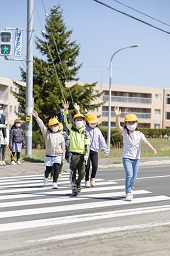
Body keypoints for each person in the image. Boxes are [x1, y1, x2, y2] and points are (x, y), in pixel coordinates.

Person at [114, 106, 157, 201]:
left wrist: (153, 149)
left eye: (132, 122)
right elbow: (118, 126)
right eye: (128, 122)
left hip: (136, 159)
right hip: (126, 158)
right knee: (129, 174)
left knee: (134, 177)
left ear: (136, 123)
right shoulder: (124, 132)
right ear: (125, 123)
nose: (130, 124)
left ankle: (130, 187)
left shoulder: (140, 134)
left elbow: (146, 142)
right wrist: (117, 117)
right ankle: (128, 192)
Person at [62, 101, 90, 196]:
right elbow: (66, 121)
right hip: (73, 154)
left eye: (80, 120)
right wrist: (66, 110)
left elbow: (87, 145)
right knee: (72, 172)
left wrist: (86, 155)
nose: (79, 121)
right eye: (77, 120)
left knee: (82, 173)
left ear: (84, 122)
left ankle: (78, 182)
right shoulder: (72, 129)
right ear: (74, 122)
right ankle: (74, 187)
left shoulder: (85, 132)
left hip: (82, 155)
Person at [32, 110, 65, 189]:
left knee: (57, 169)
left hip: (58, 155)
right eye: (53, 126)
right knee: (48, 170)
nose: (55, 127)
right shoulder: (47, 133)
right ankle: (46, 177)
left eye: (56, 125)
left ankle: (55, 182)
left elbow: (63, 147)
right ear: (50, 126)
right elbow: (41, 125)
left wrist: (63, 158)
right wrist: (37, 117)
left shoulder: (61, 136)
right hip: (49, 155)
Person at [84, 112, 109, 187]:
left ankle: (93, 178)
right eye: (92, 123)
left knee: (95, 165)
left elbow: (101, 141)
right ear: (88, 122)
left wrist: (105, 150)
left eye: (95, 123)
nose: (93, 124)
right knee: (87, 166)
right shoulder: (84, 128)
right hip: (86, 151)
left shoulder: (97, 130)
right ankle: (87, 180)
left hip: (94, 150)